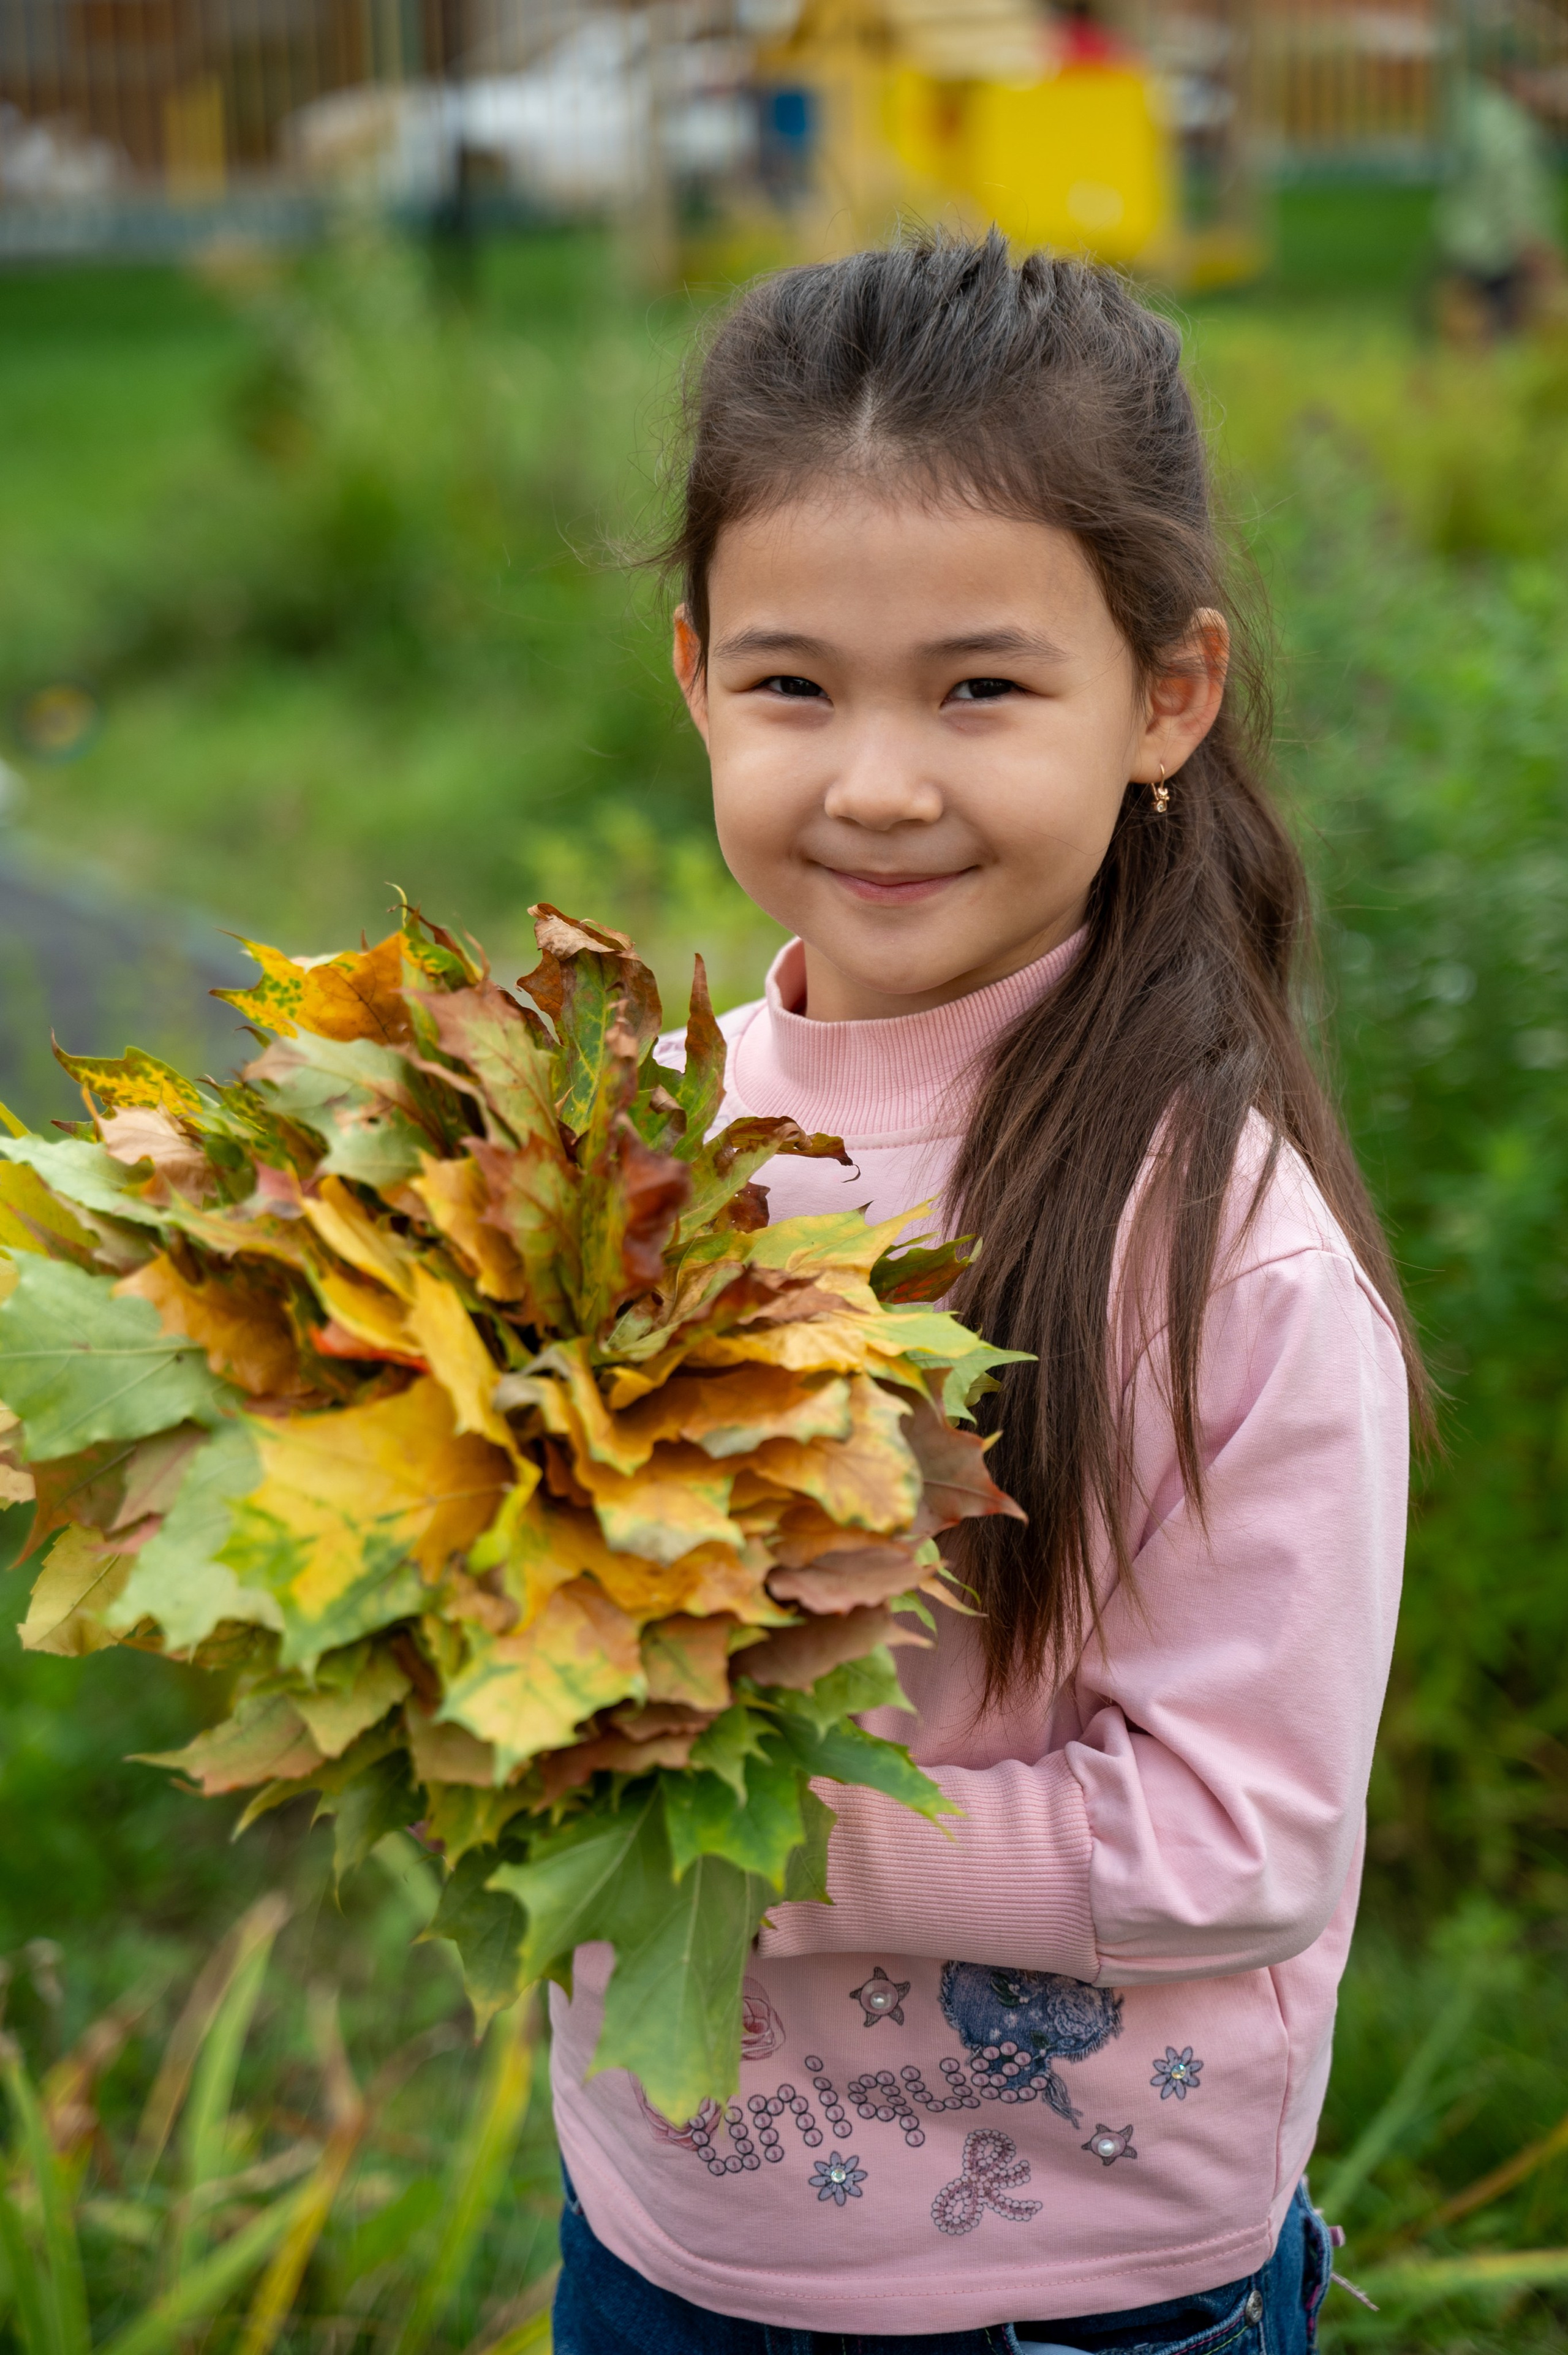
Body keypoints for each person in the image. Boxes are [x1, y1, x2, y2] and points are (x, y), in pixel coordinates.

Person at [549, 232, 1419, 2355]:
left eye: (980, 686)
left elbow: (1248, 1834)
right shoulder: (636, 1138)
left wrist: (739, 1823)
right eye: (791, 684)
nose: (873, 779)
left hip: (1067, 2289)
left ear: (1167, 695)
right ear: (691, 673)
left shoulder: (1222, 1250)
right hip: (668, 2225)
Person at [1435, 60, 1564, 342]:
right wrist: (1551, 275)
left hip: (1459, 247)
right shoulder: (1514, 134)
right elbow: (1521, 218)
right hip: (1495, 263)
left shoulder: (1476, 111)